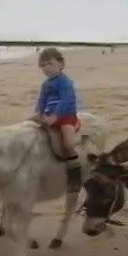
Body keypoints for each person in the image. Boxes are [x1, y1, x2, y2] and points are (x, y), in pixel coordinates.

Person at [31, 48, 82, 194]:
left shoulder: (65, 82)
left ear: (61, 64)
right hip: (49, 114)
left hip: (66, 116)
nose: (47, 68)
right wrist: (39, 113)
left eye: (50, 64)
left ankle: (75, 175)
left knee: (68, 143)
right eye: (44, 65)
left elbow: (66, 100)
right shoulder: (46, 85)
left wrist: (56, 116)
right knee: (30, 128)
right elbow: (42, 100)